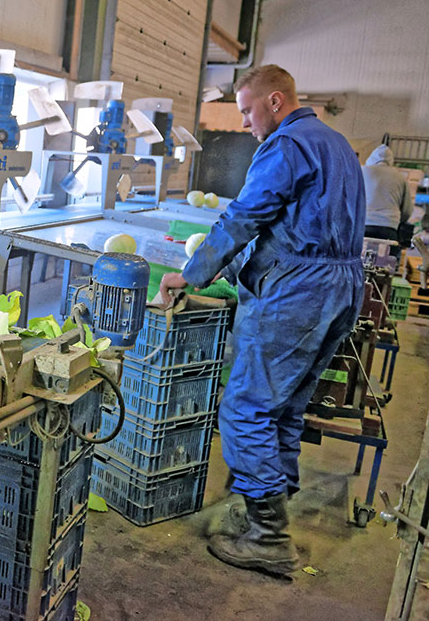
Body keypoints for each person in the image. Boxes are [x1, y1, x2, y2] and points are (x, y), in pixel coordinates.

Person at [159, 65, 364, 575]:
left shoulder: (287, 146)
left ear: (276, 101)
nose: (246, 123)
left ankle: (269, 536)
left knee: (246, 408)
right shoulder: (337, 145)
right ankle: (268, 511)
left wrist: (194, 272)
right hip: (341, 287)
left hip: (298, 293)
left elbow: (246, 215)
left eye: (248, 111)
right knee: (286, 408)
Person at [362, 143, 413, 255]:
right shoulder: (400, 177)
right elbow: (407, 210)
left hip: (363, 225)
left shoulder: (362, 171)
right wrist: (397, 221)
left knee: (355, 263)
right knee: (386, 264)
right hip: (389, 228)